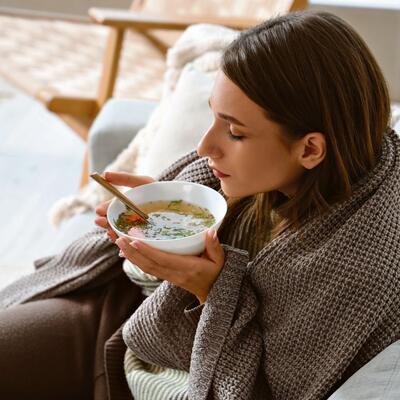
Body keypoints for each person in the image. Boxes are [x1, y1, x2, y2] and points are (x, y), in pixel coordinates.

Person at [0, 10, 399, 400]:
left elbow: (264, 390)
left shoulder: (355, 269)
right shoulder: (260, 177)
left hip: (177, 365)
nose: (204, 147)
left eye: (235, 132)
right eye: (214, 116)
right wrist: (162, 209)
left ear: (310, 149)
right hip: (127, 310)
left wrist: (212, 291)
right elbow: (151, 276)